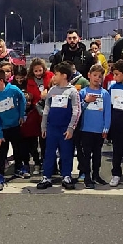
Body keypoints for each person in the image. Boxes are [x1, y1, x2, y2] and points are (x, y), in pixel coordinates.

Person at [37, 62, 82, 190]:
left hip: (65, 129)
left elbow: (76, 111)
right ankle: (46, 177)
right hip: (52, 128)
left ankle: (66, 176)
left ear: (64, 76)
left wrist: (71, 128)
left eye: (55, 74)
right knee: (49, 153)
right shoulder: (52, 90)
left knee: (66, 153)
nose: (53, 77)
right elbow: (46, 109)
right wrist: (44, 126)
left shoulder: (72, 92)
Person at [0, 68, 27, 191]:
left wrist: (21, 115)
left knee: (18, 148)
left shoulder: (13, 89)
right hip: (2, 129)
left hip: (15, 125)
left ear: (1, 81)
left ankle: (19, 168)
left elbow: (22, 99)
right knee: (1, 152)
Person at [78, 64, 111, 189]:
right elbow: (78, 110)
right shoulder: (83, 92)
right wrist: (86, 101)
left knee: (97, 154)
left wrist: (106, 128)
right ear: (89, 76)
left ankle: (96, 174)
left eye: (100, 76)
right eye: (95, 75)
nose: (97, 78)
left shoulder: (105, 94)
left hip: (99, 129)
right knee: (87, 154)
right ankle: (87, 176)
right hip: (86, 129)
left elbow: (107, 112)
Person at [23, 58, 54, 175]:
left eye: (40, 70)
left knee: (45, 139)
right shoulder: (29, 80)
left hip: (48, 109)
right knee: (32, 138)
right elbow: (29, 94)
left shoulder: (50, 76)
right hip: (35, 111)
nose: (38, 73)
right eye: (36, 71)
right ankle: (37, 162)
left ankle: (47, 162)